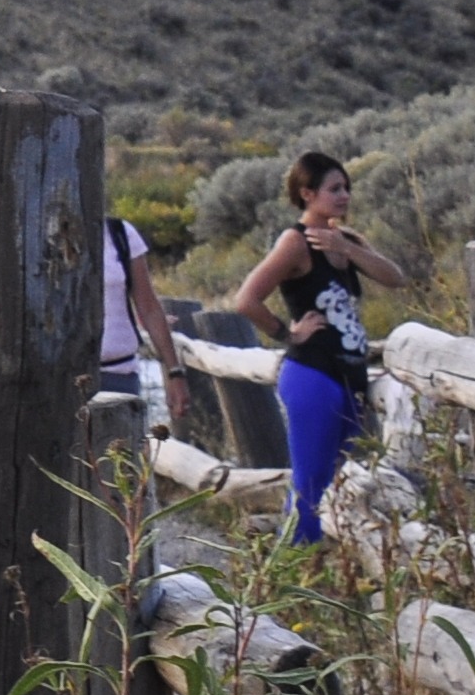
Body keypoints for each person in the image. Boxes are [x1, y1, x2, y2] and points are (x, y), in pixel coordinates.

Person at [232, 153, 409, 544]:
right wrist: (286, 332)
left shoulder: (344, 240)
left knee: (326, 481)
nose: (344, 196)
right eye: (334, 189)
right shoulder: (294, 242)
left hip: (348, 376)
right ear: (307, 193)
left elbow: (396, 278)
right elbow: (246, 299)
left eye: (347, 188)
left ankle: (301, 566)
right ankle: (294, 569)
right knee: (310, 484)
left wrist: (347, 249)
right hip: (312, 376)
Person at [96, 211, 194, 434]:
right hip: (55, 383)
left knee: (121, 464)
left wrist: (174, 373)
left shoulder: (119, 234)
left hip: (118, 378)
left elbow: (149, 307)